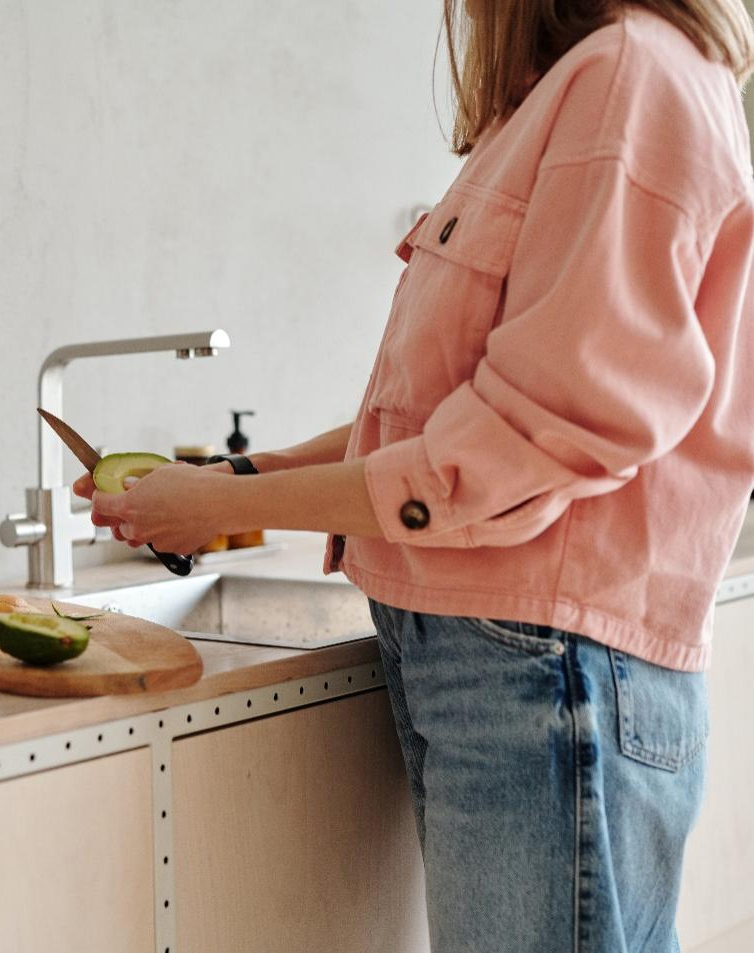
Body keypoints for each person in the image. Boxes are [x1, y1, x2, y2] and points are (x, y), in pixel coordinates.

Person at [75, 2, 754, 951]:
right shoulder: (586, 85)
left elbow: (501, 454)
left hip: (546, 668)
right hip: (517, 666)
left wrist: (225, 503)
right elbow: (451, 419)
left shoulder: (630, 78)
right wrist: (242, 474)